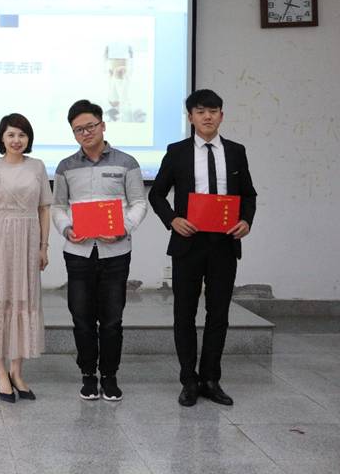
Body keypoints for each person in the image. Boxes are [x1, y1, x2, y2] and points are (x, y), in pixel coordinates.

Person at [148, 89, 256, 408]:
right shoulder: (177, 151)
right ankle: (188, 380)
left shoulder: (236, 151)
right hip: (188, 244)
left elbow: (248, 194)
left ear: (222, 115)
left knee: (218, 313)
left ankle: (211, 379)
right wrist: (173, 220)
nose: (207, 116)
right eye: (200, 111)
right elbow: (157, 194)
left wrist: (246, 221)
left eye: (213, 110)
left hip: (224, 244)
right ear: (190, 117)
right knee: (184, 313)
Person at [51, 99, 147, 402]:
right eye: (78, 129)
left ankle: (109, 375)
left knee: (112, 319)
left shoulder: (127, 162)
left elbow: (139, 203)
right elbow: (58, 206)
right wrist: (66, 228)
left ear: (102, 125)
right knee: (81, 317)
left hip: (115, 252)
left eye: (90, 126)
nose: (85, 133)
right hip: (78, 253)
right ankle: (88, 376)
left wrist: (124, 228)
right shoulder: (66, 166)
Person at [0, 113, 52, 403]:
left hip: (28, 241)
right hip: (0, 240)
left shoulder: (37, 166)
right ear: (2, 138)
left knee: (23, 302)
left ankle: (17, 372)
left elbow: (44, 209)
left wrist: (43, 247)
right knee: (0, 303)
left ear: (28, 138)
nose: (16, 140)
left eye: (22, 134)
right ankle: (1, 372)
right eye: (11, 135)